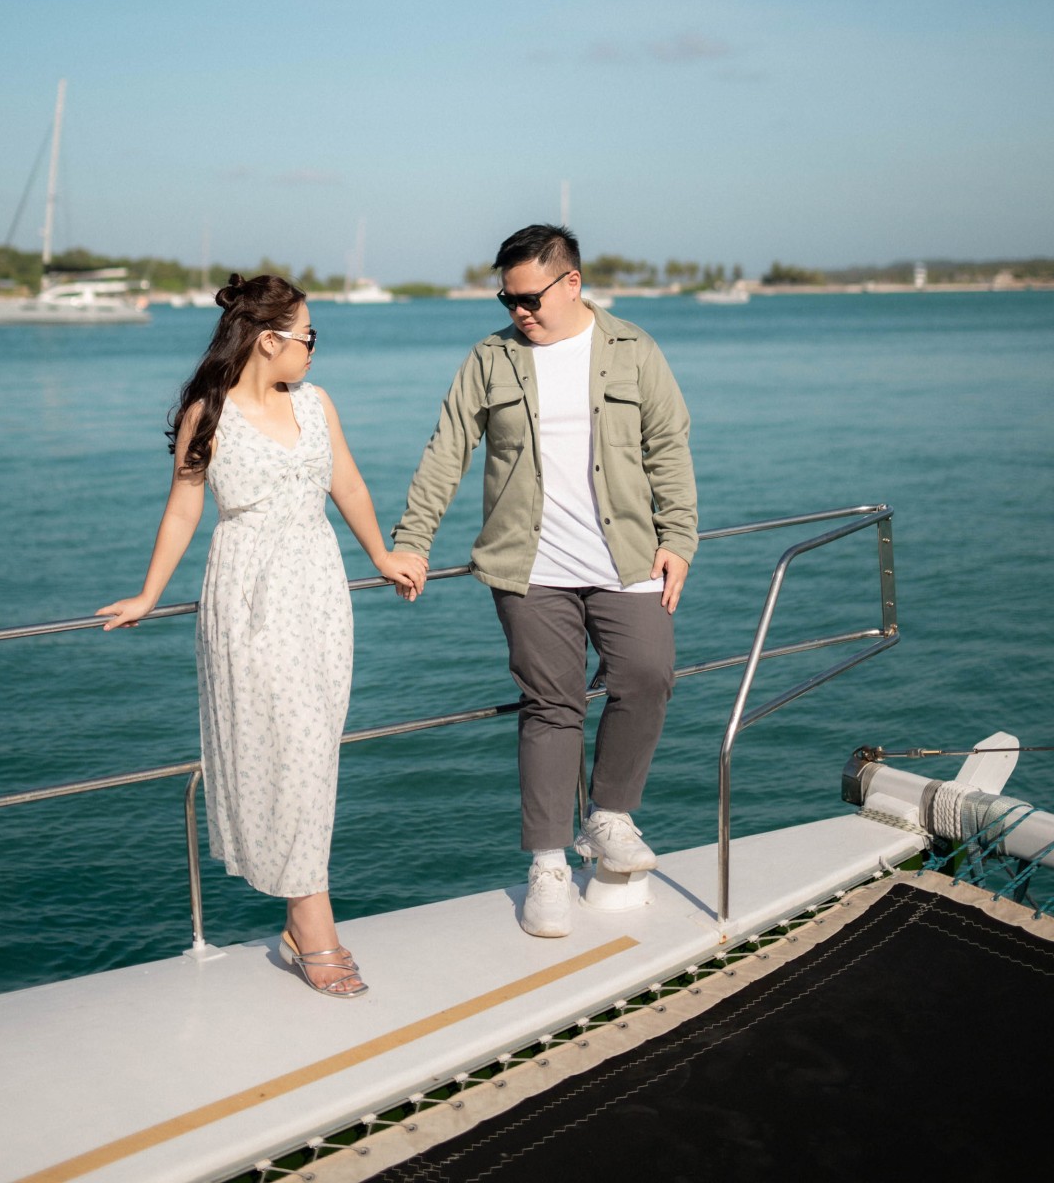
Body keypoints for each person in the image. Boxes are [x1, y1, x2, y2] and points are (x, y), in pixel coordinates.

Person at [97, 272, 425, 995]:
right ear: (270, 339)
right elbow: (184, 508)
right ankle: (312, 922)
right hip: (248, 596)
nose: (314, 348)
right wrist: (150, 593)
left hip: (319, 589)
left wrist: (381, 554)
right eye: (309, 335)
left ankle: (302, 911)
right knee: (285, 751)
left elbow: (348, 485)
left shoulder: (316, 402)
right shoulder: (207, 413)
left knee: (315, 751)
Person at [391, 224, 697, 938]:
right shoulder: (490, 358)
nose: (518, 311)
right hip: (529, 568)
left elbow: (668, 446)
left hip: (626, 557)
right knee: (552, 706)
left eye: (529, 297)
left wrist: (679, 537)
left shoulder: (633, 349)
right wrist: (412, 540)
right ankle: (549, 864)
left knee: (648, 674)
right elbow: (446, 451)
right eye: (507, 298)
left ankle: (609, 816)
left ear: (572, 282)